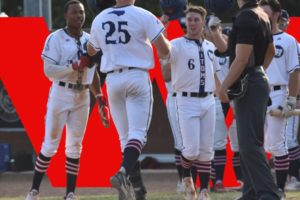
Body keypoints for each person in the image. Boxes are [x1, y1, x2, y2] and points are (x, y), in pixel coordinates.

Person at [25, 1, 109, 200]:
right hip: (61, 93)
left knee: (75, 146)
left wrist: (99, 97)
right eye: (74, 13)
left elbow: (93, 72)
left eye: (81, 13)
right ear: (66, 15)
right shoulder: (55, 38)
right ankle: (34, 191)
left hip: (82, 96)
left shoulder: (91, 40)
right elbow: (49, 70)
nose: (79, 16)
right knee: (50, 145)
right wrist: (73, 66)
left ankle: (70, 193)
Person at [87, 0, 171, 199]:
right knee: (138, 135)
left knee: (125, 141)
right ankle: (123, 173)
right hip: (136, 76)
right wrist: (163, 33)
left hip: (113, 79)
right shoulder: (142, 14)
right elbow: (165, 51)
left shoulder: (100, 18)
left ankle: (138, 190)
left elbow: (91, 51)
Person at [218, 0, 282, 199]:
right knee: (250, 143)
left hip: (250, 84)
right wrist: (257, 71)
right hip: (256, 80)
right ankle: (251, 192)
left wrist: (224, 86)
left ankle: (269, 194)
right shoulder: (262, 14)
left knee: (248, 145)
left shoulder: (247, 15)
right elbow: (270, 51)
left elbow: (242, 58)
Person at [162, 5, 221, 200]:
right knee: (191, 149)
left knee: (206, 149)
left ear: (203, 22)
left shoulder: (210, 47)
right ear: (185, 22)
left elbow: (216, 74)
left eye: (196, 19)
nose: (193, 23)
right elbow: (165, 73)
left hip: (209, 99)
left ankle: (203, 190)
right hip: (186, 100)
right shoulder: (176, 44)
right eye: (190, 20)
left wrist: (223, 94)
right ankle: (186, 176)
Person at [259, 0, 300, 194]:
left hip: (278, 92)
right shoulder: (256, 38)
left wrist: (291, 99)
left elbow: (294, 71)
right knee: (255, 144)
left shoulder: (288, 40)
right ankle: (258, 188)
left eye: (267, 13)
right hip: (257, 93)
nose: (264, 17)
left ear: (276, 15)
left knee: (276, 144)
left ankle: (279, 190)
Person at [204, 21, 243, 192]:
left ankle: (242, 179)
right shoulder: (210, 50)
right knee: (218, 143)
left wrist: (215, 31)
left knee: (237, 144)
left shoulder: (232, 52)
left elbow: (223, 47)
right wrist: (212, 30)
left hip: (234, 99)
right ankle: (218, 180)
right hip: (217, 99)